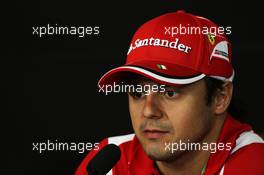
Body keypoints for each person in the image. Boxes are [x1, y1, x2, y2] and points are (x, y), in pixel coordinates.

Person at [75, 10, 264, 175]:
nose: (149, 111)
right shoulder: (111, 164)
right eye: (138, 93)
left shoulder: (254, 163)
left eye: (169, 93)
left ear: (220, 98)